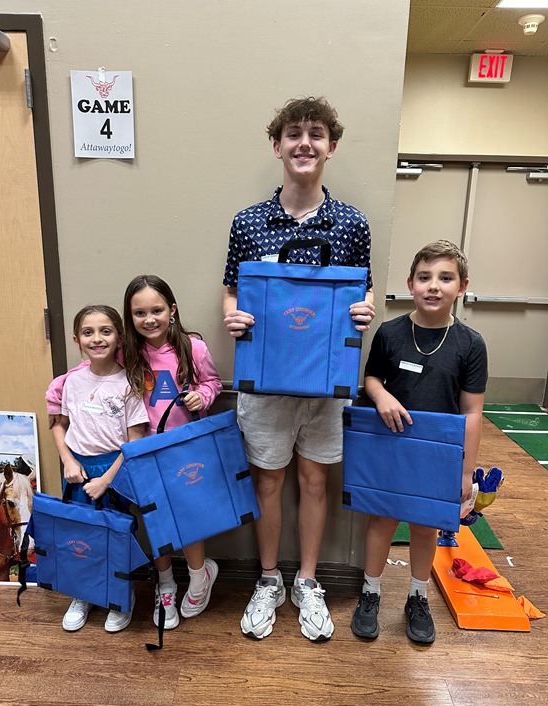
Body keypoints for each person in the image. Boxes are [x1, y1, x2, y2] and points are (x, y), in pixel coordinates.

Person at [222, 96, 375, 642]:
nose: (304, 143)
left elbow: (362, 289)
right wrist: (232, 316)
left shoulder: (352, 224)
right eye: (293, 133)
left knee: (315, 480)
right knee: (268, 480)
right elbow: (232, 289)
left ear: (331, 147)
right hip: (265, 383)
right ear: (277, 146)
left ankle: (308, 581)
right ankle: (268, 579)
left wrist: (365, 309)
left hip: (326, 383)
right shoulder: (248, 222)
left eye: (315, 134)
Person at [47, 275, 223, 632]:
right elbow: (91, 368)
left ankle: (199, 576)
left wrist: (203, 395)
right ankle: (165, 586)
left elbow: (212, 382)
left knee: (187, 519)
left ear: (172, 310)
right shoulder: (127, 351)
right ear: (130, 317)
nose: (149, 319)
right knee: (154, 522)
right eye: (139, 313)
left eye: (157, 310)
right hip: (141, 453)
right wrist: (58, 389)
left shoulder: (193, 348)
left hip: (183, 449)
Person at [351, 240, 487, 645]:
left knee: (426, 526)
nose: (434, 286)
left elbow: (472, 412)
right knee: (382, 520)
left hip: (438, 454)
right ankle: (370, 593)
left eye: (445, 278)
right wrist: (381, 395)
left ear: (462, 286)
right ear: (410, 283)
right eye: (425, 277)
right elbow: (371, 377)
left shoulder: (470, 344)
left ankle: (417, 596)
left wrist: (465, 471)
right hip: (391, 445)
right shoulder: (391, 332)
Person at [51, 304, 149, 633]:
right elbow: (61, 425)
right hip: (78, 468)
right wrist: (68, 461)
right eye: (88, 332)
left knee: (115, 535)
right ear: (76, 339)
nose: (97, 339)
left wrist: (106, 480)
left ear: (119, 337)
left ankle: (121, 595)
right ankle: (83, 594)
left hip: (114, 471)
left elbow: (135, 442)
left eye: (105, 331)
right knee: (81, 534)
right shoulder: (71, 382)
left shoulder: (129, 383)